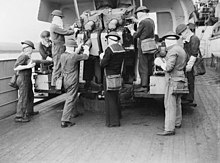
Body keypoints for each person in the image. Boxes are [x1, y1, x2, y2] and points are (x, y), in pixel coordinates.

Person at [155, 32, 187, 136]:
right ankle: (177, 122)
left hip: (172, 80)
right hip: (181, 79)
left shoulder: (172, 51)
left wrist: (160, 63)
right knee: (177, 103)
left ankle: (169, 129)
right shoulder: (181, 49)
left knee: (169, 105)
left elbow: (169, 68)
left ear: (167, 41)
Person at [59, 39, 90, 128]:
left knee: (71, 96)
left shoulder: (63, 55)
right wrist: (87, 48)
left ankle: (73, 113)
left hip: (65, 79)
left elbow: (73, 54)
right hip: (72, 79)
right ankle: (65, 120)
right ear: (72, 48)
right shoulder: (74, 56)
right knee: (70, 99)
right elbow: (86, 56)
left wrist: (79, 46)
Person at [100, 31, 125, 127]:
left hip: (108, 77)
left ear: (110, 39)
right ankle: (118, 116)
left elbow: (103, 64)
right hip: (117, 75)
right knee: (115, 97)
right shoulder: (121, 49)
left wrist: (102, 57)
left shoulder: (109, 50)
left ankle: (113, 122)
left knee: (110, 99)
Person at [130, 6, 155, 92]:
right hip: (150, 46)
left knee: (143, 66)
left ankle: (144, 86)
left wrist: (131, 30)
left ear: (140, 13)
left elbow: (136, 35)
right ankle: (149, 84)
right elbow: (145, 27)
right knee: (149, 64)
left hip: (143, 46)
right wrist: (137, 22)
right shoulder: (150, 21)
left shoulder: (143, 22)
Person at [50, 10, 76, 87]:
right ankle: (54, 84)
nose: (61, 19)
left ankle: (58, 84)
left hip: (59, 47)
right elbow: (65, 32)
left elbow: (64, 30)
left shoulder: (55, 26)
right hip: (58, 48)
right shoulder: (55, 27)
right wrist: (73, 30)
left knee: (60, 65)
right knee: (57, 65)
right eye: (60, 18)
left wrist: (71, 28)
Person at [176, 24, 200, 107]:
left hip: (191, 63)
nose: (181, 36)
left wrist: (189, 65)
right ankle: (187, 96)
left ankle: (189, 98)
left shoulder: (194, 39)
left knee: (190, 80)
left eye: (181, 34)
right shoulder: (188, 39)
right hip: (187, 62)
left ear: (185, 31)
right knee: (188, 79)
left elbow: (194, 54)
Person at [14, 40, 38, 122]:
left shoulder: (27, 56)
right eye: (31, 48)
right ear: (27, 48)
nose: (32, 50)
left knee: (30, 95)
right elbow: (16, 67)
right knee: (23, 97)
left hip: (27, 78)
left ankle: (29, 111)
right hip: (23, 78)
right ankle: (19, 116)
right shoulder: (23, 56)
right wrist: (29, 66)